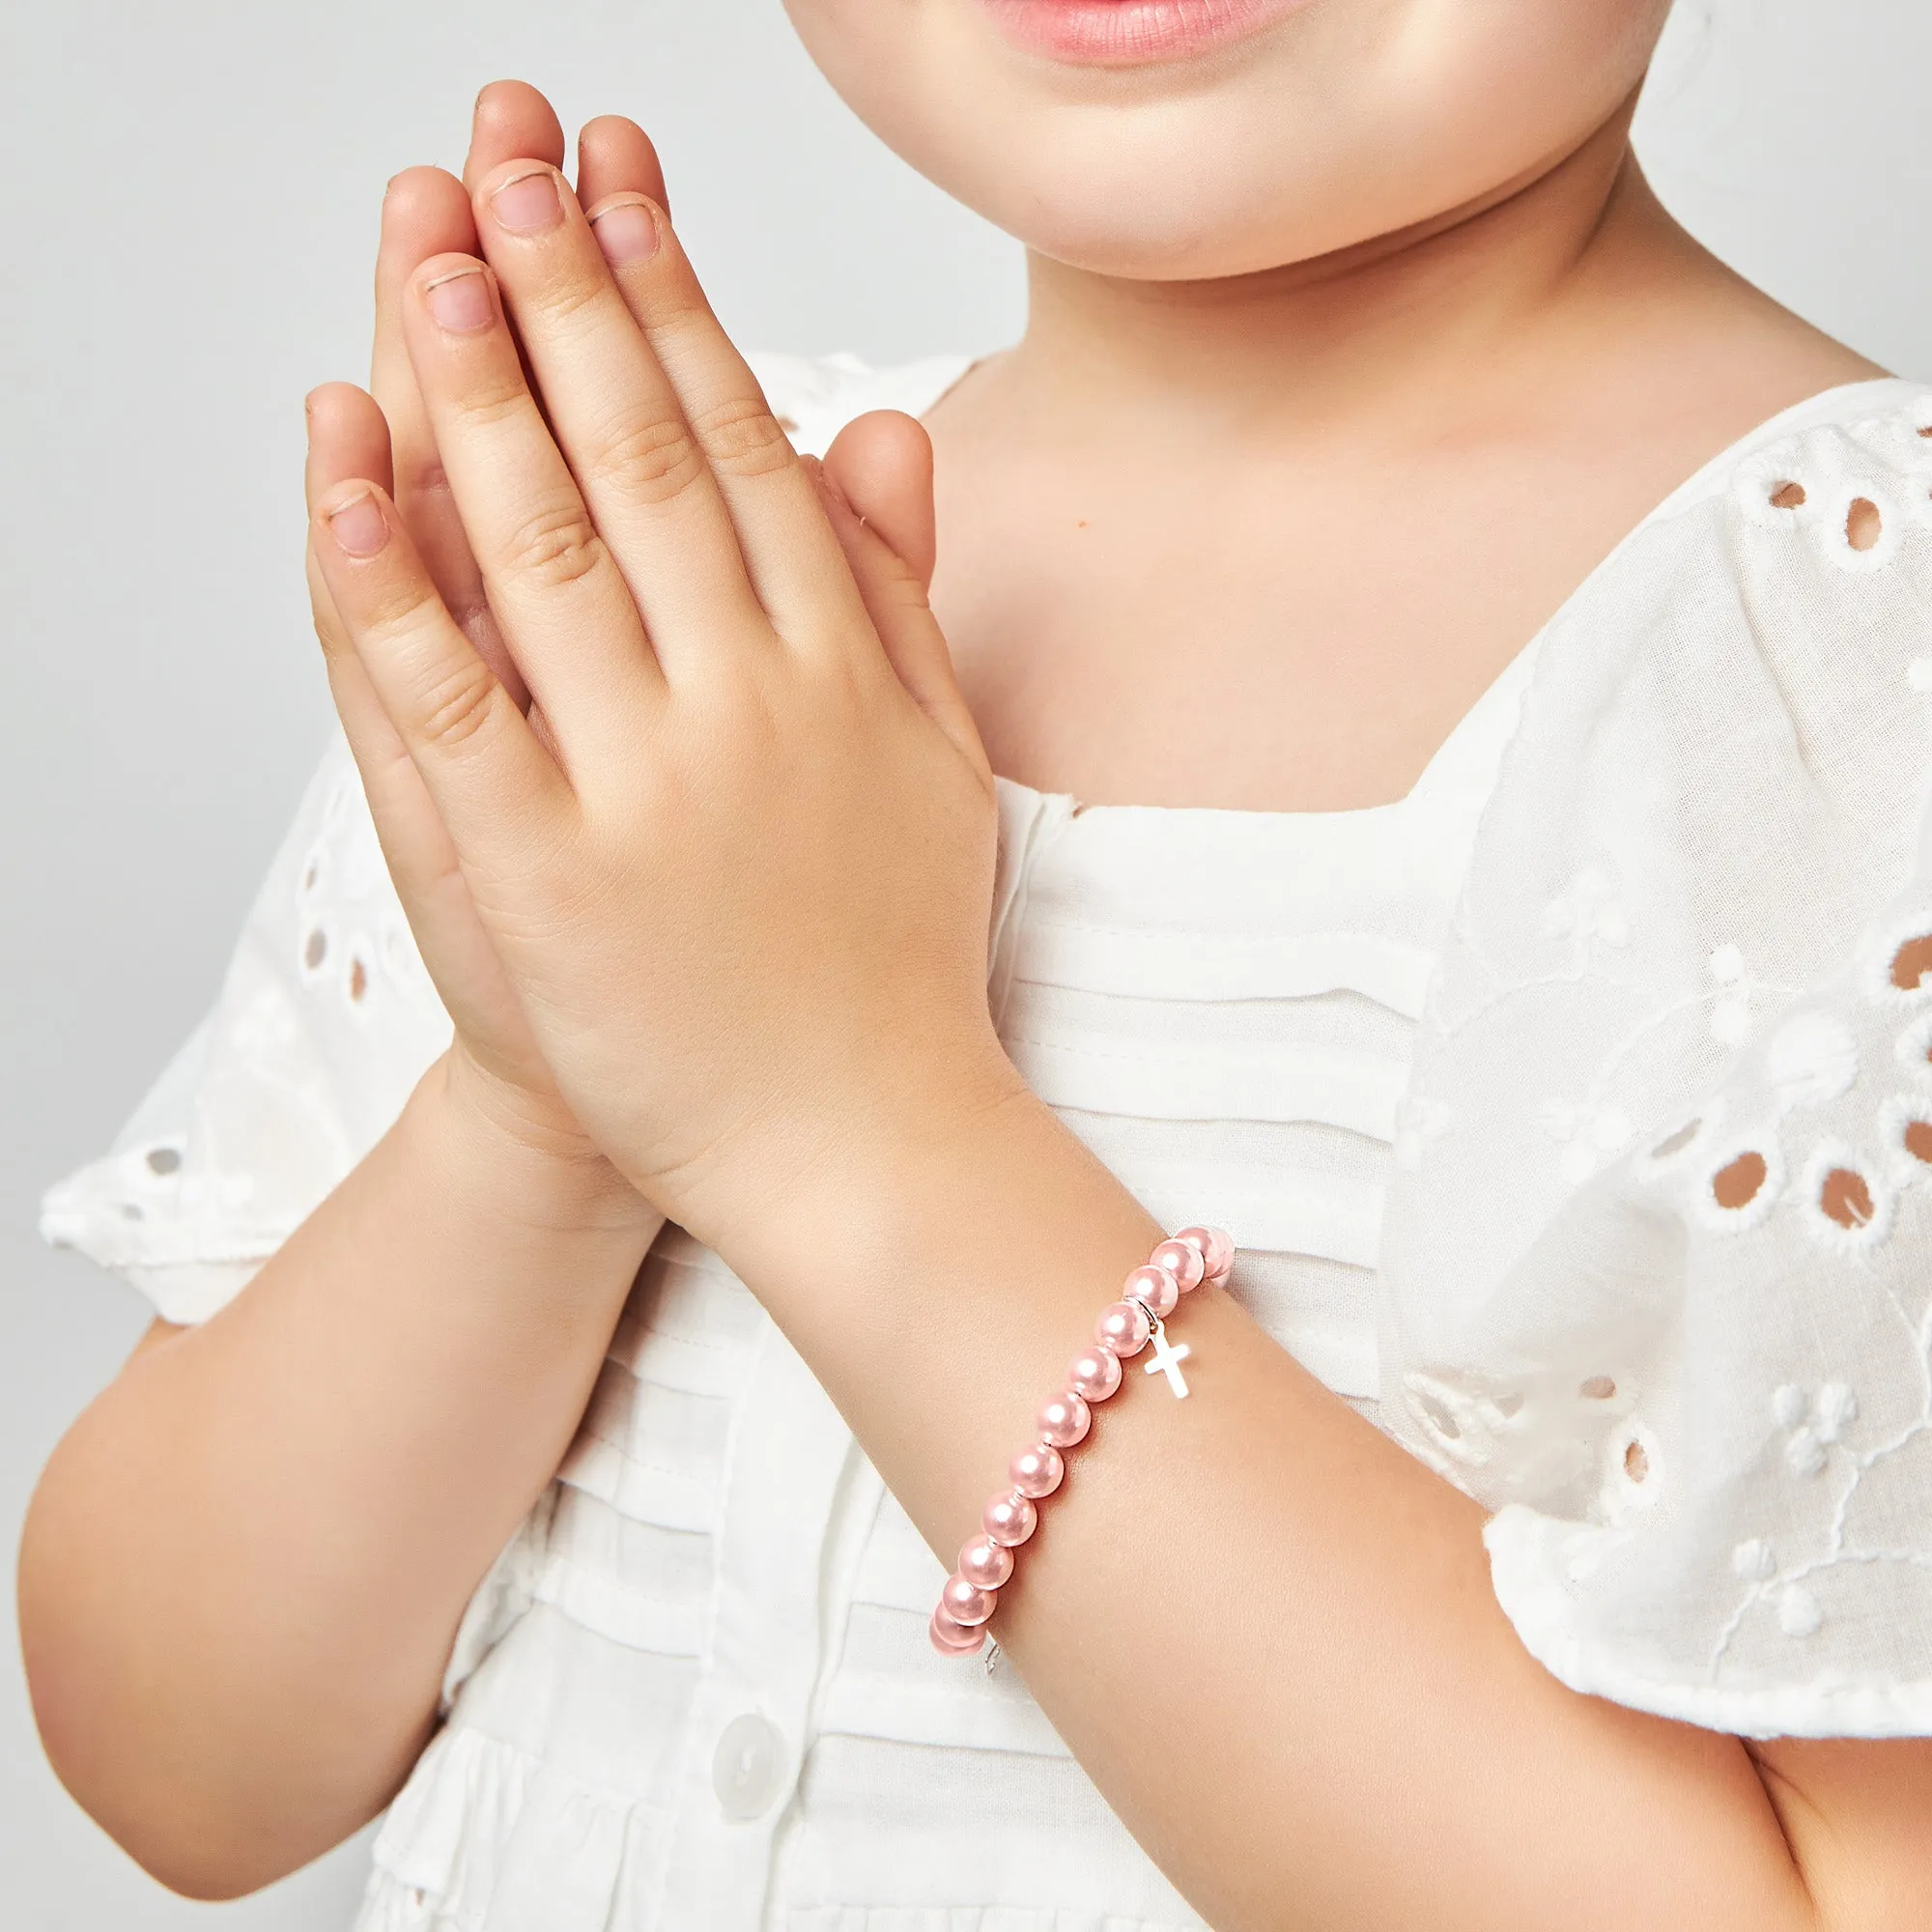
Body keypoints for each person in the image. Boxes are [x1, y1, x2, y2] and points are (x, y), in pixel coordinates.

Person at [20, 3, 1932, 1926]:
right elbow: (190, 1765)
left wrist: (842, 1118)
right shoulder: (674, 597)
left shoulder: (1848, 650)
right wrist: (539, 1104)